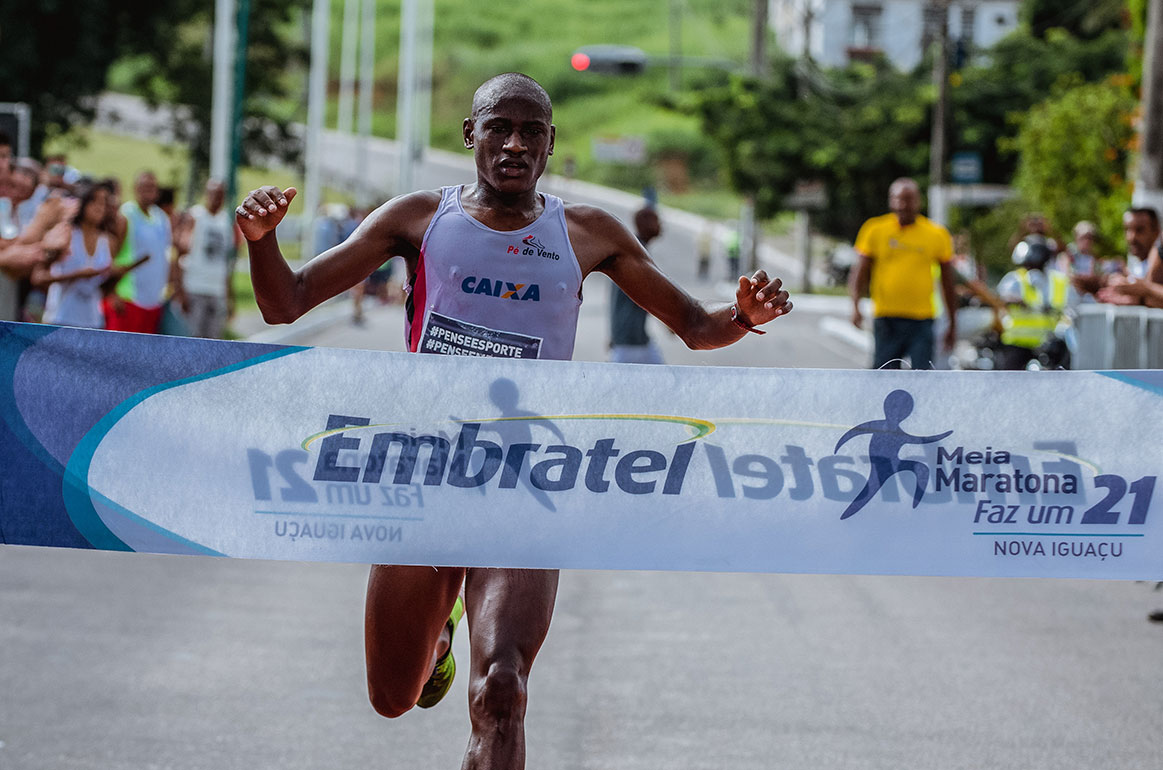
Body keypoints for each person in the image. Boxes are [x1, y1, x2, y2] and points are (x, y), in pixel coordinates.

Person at [236, 72, 792, 770]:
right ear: (471, 135)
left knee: (502, 685)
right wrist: (261, 240)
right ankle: (438, 635)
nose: (514, 143)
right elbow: (286, 303)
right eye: (499, 126)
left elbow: (693, 326)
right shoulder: (417, 219)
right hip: (426, 475)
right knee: (391, 696)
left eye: (532, 131)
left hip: (527, 483)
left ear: (550, 144)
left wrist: (743, 316)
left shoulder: (587, 233)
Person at [849, 177, 958, 370]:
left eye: (908, 199)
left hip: (922, 320)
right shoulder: (875, 229)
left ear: (918, 201)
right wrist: (855, 305)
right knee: (883, 376)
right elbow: (860, 272)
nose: (902, 205)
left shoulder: (936, 234)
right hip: (886, 317)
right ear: (891, 200)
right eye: (898, 199)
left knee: (922, 376)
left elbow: (948, 281)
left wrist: (952, 322)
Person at [34, 182, 114, 329]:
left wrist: (114, 277)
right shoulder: (65, 233)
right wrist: (76, 275)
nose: (99, 207)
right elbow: (38, 277)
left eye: (103, 203)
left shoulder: (106, 240)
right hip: (60, 319)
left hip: (92, 321)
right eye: (94, 201)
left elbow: (103, 289)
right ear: (83, 202)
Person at [995, 232, 1079, 370]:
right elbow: (1001, 299)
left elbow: (1072, 306)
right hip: (1017, 344)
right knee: (1008, 382)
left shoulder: (1058, 281)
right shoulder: (1014, 280)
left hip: (1050, 344)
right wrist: (1015, 301)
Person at [105, 171, 175, 333]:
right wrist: (113, 293)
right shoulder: (126, 215)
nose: (148, 191)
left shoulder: (161, 218)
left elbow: (166, 253)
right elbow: (110, 255)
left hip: (154, 300)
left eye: (152, 187)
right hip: (128, 298)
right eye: (144, 187)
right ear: (136, 188)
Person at [174, 178, 238, 339]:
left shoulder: (226, 222)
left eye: (220, 195)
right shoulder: (195, 217)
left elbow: (226, 263)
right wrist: (179, 291)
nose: (216, 198)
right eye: (213, 194)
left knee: (214, 341)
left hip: (217, 291)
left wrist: (229, 296)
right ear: (206, 194)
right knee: (193, 339)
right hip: (195, 288)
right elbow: (180, 254)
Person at [609, 206, 665, 364]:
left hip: (635, 339)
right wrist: (674, 322)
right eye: (656, 221)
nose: (660, 225)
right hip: (629, 342)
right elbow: (652, 295)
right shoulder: (635, 251)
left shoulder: (637, 248)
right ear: (644, 223)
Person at [1095, 208, 1163, 307]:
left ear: (1156, 232)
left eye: (1140, 230)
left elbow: (1148, 291)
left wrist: (1145, 290)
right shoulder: (1140, 265)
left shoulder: (1157, 252)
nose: (1131, 237)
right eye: (1127, 229)